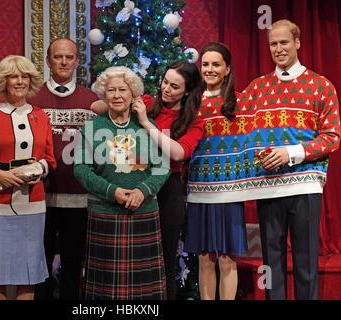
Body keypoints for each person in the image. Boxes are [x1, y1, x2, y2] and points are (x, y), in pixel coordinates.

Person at [244, 19, 340, 299]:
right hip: (268, 186)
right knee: (271, 263)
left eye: (284, 42)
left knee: (305, 263)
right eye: (273, 44)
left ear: (297, 42)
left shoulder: (321, 86)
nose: (278, 48)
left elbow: (332, 137)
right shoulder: (256, 89)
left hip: (305, 186)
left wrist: (291, 153)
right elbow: (242, 133)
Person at [92, 61, 205, 299]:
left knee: (165, 259)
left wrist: (145, 122)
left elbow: (177, 153)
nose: (166, 89)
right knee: (134, 258)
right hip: (135, 181)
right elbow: (95, 106)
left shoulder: (193, 118)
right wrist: (119, 96)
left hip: (167, 188)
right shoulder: (146, 101)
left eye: (175, 86)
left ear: (187, 90)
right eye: (165, 82)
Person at [74, 66, 170, 299]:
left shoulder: (148, 127)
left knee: (144, 291)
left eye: (122, 90)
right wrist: (112, 191)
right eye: (111, 90)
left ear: (132, 94)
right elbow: (81, 168)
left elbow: (163, 167)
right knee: (105, 289)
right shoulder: (92, 128)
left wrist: (142, 190)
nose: (117, 95)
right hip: (105, 214)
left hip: (144, 212)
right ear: (104, 95)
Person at [0, 55, 56, 300]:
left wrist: (37, 170)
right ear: (4, 82)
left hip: (33, 206)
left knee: (28, 276)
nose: (20, 81)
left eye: (24, 76)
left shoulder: (41, 116)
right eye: (14, 76)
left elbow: (50, 159)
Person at [29, 38, 98, 300]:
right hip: (39, 195)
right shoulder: (34, 99)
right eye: (58, 57)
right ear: (48, 61)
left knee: (73, 262)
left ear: (77, 61)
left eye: (69, 57)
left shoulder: (91, 101)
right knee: (40, 261)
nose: (64, 62)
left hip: (79, 197)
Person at [183, 42, 248, 300]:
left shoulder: (240, 102)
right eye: (205, 64)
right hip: (199, 190)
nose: (209, 69)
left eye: (215, 64)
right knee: (205, 258)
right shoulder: (191, 101)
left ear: (227, 69)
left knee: (226, 259)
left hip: (230, 192)